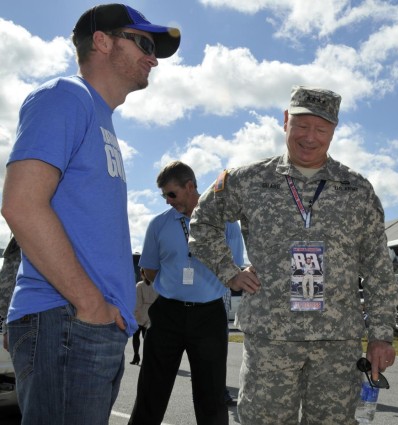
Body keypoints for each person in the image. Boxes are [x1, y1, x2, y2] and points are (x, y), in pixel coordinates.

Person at [0, 4, 180, 424]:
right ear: (102, 41)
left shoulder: (100, 117)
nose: (153, 57)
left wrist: (105, 315)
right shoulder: (65, 96)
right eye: (144, 44)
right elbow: (21, 204)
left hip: (86, 325)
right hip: (67, 320)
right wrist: (90, 305)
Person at [188, 86, 398, 425]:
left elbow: (378, 268)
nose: (310, 137)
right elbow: (202, 223)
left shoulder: (357, 189)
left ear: (334, 130)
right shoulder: (249, 180)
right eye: (302, 125)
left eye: (321, 128)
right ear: (286, 120)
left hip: (337, 341)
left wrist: (381, 335)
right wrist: (230, 271)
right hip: (272, 337)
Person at [129, 161, 244, 425]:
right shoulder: (158, 224)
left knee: (212, 396)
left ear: (190, 186)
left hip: (209, 316)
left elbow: (234, 270)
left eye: (172, 194)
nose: (168, 201)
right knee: (150, 391)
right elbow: (149, 270)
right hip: (166, 314)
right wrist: (175, 286)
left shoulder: (226, 223)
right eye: (164, 196)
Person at [130, 269, 157, 365]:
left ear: (142, 274)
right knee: (147, 337)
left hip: (141, 312)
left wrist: (135, 312)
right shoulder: (156, 285)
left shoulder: (140, 285)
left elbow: (137, 302)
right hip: (152, 312)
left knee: (136, 336)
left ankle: (136, 356)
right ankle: (147, 358)